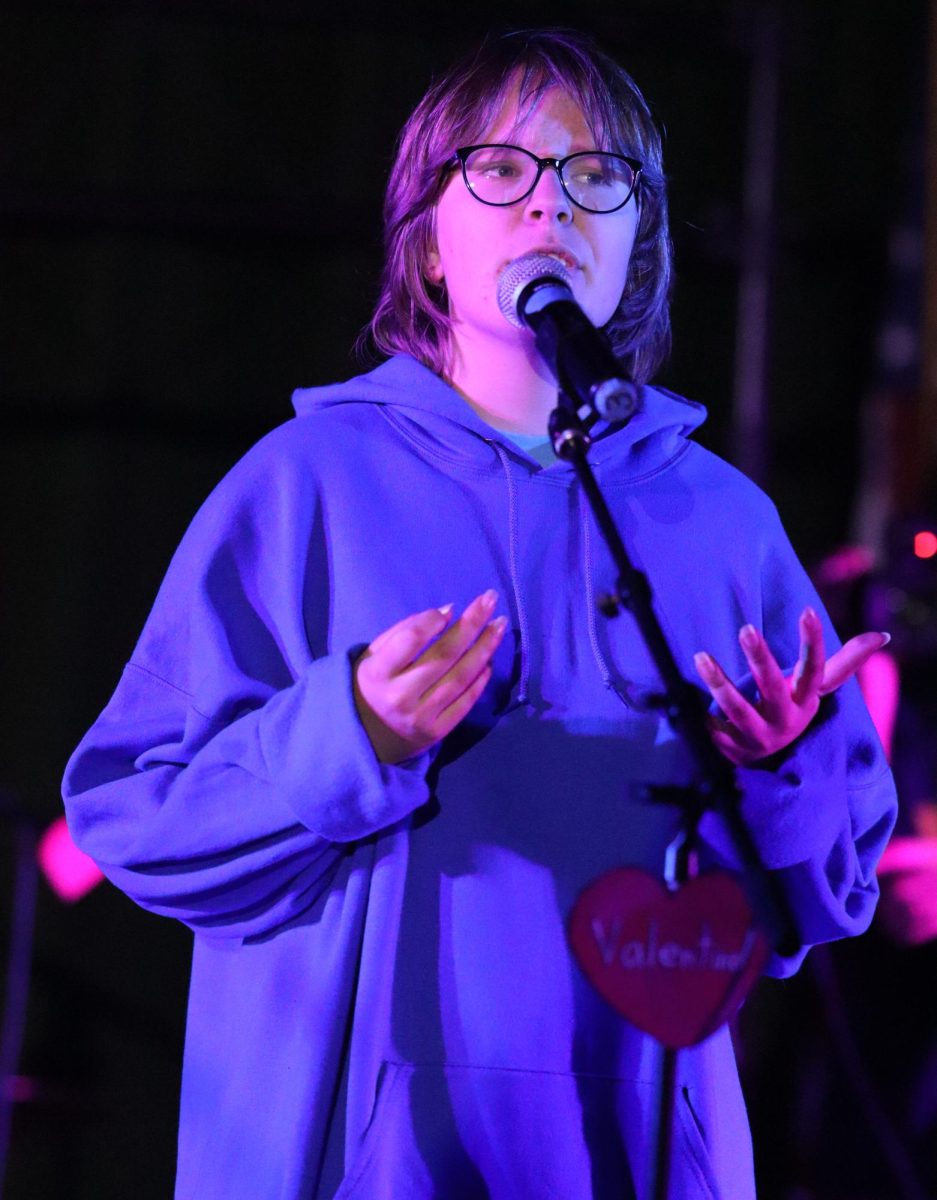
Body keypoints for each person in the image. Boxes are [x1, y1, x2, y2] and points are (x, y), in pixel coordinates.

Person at [62, 29, 896, 1200]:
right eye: (500, 168)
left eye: (595, 176)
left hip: (639, 1153)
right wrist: (345, 736)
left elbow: (823, 895)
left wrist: (788, 770)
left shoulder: (721, 520)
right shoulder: (308, 484)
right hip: (370, 1156)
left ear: (634, 245)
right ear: (429, 243)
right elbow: (134, 819)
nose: (549, 203)